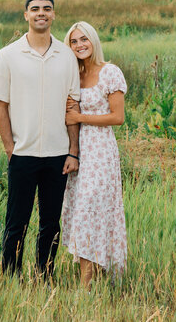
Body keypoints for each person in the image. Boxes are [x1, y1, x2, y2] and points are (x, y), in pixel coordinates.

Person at [0, 0, 81, 279]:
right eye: (35, 9)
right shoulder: (8, 55)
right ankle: (11, 277)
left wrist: (73, 150)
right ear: (26, 15)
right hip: (23, 153)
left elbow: (72, 105)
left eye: (47, 9)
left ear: (54, 15)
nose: (42, 13)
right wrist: (9, 147)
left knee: (51, 222)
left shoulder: (67, 56)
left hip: (57, 154)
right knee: (17, 221)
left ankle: (45, 274)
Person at [61, 21, 128, 287]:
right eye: (74, 41)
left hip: (101, 150)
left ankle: (85, 287)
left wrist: (80, 116)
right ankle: (92, 276)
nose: (80, 45)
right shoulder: (73, 76)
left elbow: (118, 117)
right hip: (77, 150)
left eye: (84, 39)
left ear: (94, 41)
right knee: (80, 210)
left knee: (92, 208)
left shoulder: (109, 72)